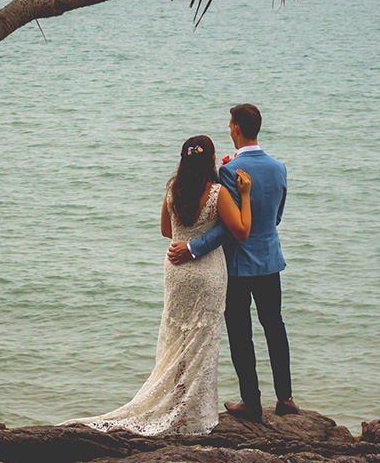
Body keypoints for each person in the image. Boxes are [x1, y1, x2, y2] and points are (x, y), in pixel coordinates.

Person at [70, 134, 252, 435]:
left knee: (176, 339)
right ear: (210, 160)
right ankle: (192, 413)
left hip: (177, 271)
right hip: (207, 273)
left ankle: (174, 404)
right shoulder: (218, 193)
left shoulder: (173, 189)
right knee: (202, 342)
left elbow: (167, 230)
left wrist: (187, 235)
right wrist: (244, 195)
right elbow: (241, 231)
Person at [167, 103, 294, 422]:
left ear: (237, 128)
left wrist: (193, 248)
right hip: (270, 261)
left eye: (229, 125)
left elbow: (227, 229)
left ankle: (251, 402)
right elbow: (276, 217)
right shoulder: (279, 168)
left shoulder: (228, 171)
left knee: (241, 333)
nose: (228, 129)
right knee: (275, 327)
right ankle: (286, 397)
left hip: (237, 267)